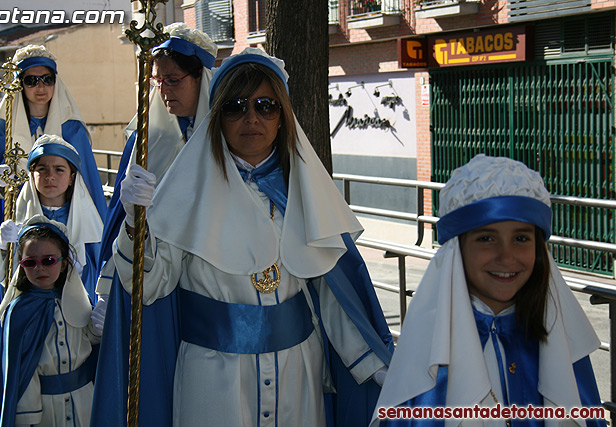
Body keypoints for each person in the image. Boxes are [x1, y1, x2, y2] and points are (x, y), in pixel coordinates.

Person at [96, 48, 393, 427]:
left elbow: (333, 298)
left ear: (283, 117)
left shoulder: (305, 196)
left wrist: (372, 364)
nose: (252, 117)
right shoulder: (184, 195)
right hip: (212, 380)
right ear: (217, 116)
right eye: (235, 106)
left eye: (266, 105)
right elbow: (149, 286)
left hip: (297, 374)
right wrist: (138, 222)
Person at [372, 154, 605, 426]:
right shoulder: (429, 355)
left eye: (520, 238)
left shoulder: (562, 343)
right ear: (456, 250)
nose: (506, 257)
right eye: (486, 238)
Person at [0, 44, 106, 425]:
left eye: (46, 79)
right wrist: (0, 191)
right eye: (30, 80)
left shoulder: (72, 130)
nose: (39, 87)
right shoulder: (0, 130)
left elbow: (90, 190)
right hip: (24, 245)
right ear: (18, 85)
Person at [94, 23, 217, 297]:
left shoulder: (225, 136)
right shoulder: (146, 139)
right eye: (157, 81)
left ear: (202, 77)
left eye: (173, 80)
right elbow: (120, 217)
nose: (163, 91)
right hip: (157, 270)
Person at [0, 215, 105, 427]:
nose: (40, 268)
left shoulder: (77, 300)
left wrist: (98, 328)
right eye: (30, 262)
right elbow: (22, 370)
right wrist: (28, 418)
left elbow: (87, 339)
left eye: (49, 260)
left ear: (63, 263)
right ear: (21, 265)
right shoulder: (20, 311)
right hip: (44, 411)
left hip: (84, 401)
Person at [0, 134, 104, 301]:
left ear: (71, 177)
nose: (50, 176)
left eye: (59, 169)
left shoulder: (87, 221)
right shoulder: (19, 218)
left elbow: (102, 268)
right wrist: (4, 248)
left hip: (77, 303)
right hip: (33, 304)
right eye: (42, 169)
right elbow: (7, 278)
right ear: (32, 175)